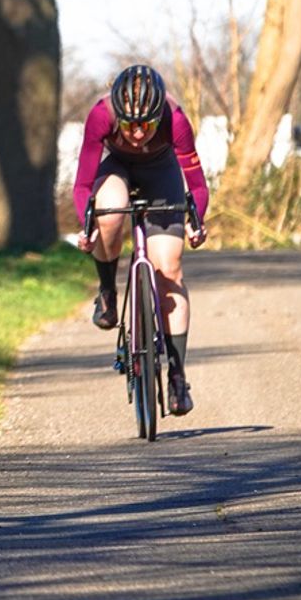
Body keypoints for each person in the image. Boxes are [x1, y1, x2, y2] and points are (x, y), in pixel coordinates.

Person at [71, 64, 208, 416]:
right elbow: (84, 183)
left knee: (170, 269)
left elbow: (196, 183)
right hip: (116, 168)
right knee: (111, 213)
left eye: (145, 125)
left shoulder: (174, 118)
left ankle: (177, 375)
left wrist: (197, 220)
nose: (136, 133)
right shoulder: (101, 115)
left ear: (157, 114)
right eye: (129, 124)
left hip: (162, 174)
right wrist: (86, 226)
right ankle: (107, 291)